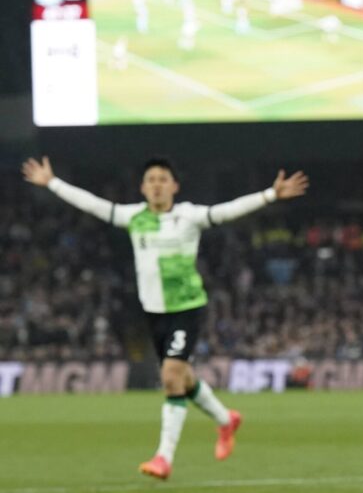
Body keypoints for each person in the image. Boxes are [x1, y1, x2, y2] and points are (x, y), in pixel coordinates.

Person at [21, 156, 309, 480]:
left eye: (162, 179)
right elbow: (92, 205)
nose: (157, 184)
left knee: (171, 376)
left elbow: (227, 210)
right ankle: (226, 420)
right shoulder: (133, 217)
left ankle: (163, 458)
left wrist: (270, 195)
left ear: (174, 186)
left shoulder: (189, 216)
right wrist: (52, 182)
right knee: (183, 379)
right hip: (153, 312)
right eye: (151, 179)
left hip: (186, 308)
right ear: (143, 188)